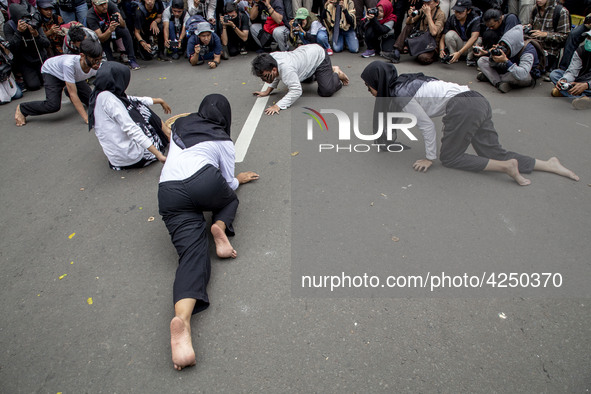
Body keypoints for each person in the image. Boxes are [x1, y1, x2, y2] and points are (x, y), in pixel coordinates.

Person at [157, 94, 259, 371]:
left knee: (192, 255)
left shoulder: (183, 124)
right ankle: (219, 227)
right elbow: (227, 182)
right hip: (204, 182)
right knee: (229, 199)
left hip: (169, 191)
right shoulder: (223, 140)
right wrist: (238, 180)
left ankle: (183, 319)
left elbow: (169, 130)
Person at [360, 61, 580, 185]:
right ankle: (548, 164)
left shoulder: (400, 94)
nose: (368, 90)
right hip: (477, 100)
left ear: (377, 82)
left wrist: (429, 157)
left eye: (368, 85)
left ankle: (507, 167)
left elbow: (426, 125)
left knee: (450, 157)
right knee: (492, 150)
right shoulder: (404, 82)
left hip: (463, 108)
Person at [88, 61, 172, 170]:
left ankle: (166, 134)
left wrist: (159, 100)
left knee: (136, 105)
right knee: (142, 110)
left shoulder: (101, 92)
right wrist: (158, 155)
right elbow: (131, 128)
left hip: (116, 158)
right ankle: (167, 134)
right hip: (132, 157)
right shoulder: (110, 100)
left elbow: (132, 99)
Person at [14, 38, 102, 126]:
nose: (97, 63)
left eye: (99, 59)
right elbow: (73, 94)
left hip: (73, 77)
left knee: (92, 100)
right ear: (82, 56)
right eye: (94, 60)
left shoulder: (99, 65)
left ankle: (68, 88)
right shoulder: (69, 65)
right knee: (53, 106)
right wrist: (87, 118)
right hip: (52, 72)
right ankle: (23, 108)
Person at [251, 43, 349, 115]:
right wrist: (267, 91)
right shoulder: (271, 59)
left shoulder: (286, 69)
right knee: (307, 80)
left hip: (319, 56)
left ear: (274, 69)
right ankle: (324, 72)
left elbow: (296, 90)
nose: (264, 80)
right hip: (305, 58)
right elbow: (276, 75)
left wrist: (278, 105)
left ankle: (335, 72)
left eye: (265, 77)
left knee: (326, 91)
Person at [476, 25, 539, 93]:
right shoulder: (504, 48)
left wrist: (506, 61)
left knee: (518, 77)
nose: (503, 49)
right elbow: (492, 64)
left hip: (522, 73)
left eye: (505, 47)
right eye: (501, 45)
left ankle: (491, 77)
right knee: (482, 60)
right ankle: (499, 83)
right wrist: (493, 56)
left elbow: (522, 74)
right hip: (507, 69)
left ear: (513, 46)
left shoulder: (528, 51)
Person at [3, 3, 49, 91]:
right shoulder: (9, 26)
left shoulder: (33, 22)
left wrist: (36, 35)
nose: (25, 21)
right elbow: (12, 48)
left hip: (40, 57)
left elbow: (46, 43)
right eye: (22, 19)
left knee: (47, 81)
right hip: (25, 61)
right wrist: (19, 33)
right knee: (34, 86)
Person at [87, 0, 141, 69]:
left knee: (125, 31)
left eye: (105, 4)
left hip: (114, 30)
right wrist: (109, 30)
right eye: (101, 5)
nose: (104, 6)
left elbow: (123, 25)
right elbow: (101, 38)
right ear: (94, 5)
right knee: (111, 64)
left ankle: (132, 59)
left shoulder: (110, 5)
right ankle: (111, 61)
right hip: (104, 37)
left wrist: (119, 19)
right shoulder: (91, 16)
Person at [391, 0, 446, 64]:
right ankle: (397, 50)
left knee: (422, 58)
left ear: (437, 3)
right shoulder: (422, 10)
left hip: (431, 44)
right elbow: (409, 22)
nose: (426, 5)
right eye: (424, 3)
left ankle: (430, 55)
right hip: (421, 39)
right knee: (409, 26)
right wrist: (410, 16)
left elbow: (434, 32)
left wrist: (428, 15)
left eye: (428, 3)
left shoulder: (440, 14)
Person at [550, 31, 591, 110]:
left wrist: (586, 85)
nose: (588, 40)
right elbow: (572, 71)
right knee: (555, 74)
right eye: (588, 38)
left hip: (588, 84)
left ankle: (567, 94)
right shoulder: (580, 51)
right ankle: (584, 98)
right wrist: (564, 80)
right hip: (580, 80)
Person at [526, 0, 570, 73]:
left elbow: (565, 36)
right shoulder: (535, 9)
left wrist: (546, 34)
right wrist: (528, 27)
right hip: (535, 47)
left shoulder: (561, 11)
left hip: (550, 52)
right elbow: (531, 25)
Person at [439, 0, 481, 66]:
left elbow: (474, 37)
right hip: (460, 43)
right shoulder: (452, 18)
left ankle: (470, 59)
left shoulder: (475, 18)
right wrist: (441, 50)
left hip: (469, 46)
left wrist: (460, 52)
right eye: (456, 11)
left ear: (468, 11)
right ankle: (453, 56)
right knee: (449, 34)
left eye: (460, 12)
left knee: (478, 39)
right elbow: (443, 37)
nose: (457, 14)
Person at [0, 39, 23, 104]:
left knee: (18, 95)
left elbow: (11, 58)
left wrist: (5, 49)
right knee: (4, 100)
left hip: (3, 73)